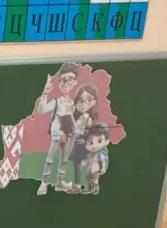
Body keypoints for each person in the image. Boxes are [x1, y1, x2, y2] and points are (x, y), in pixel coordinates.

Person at [37, 62, 79, 195]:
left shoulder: (70, 102)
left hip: (68, 135)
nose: (66, 83)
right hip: (57, 134)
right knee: (50, 159)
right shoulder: (56, 102)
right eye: (63, 80)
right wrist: (45, 94)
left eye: (70, 80)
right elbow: (41, 110)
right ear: (59, 83)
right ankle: (44, 182)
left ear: (75, 82)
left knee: (64, 159)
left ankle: (60, 181)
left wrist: (75, 128)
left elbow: (70, 116)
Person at [69, 83, 99, 192]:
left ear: (93, 102)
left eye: (88, 100)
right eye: (81, 101)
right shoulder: (76, 117)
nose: (84, 104)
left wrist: (80, 130)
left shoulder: (88, 119)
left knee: (90, 165)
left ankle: (92, 184)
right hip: (77, 145)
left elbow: (88, 133)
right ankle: (78, 186)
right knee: (77, 165)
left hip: (85, 146)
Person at [84, 122, 111, 195]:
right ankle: (89, 188)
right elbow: (88, 160)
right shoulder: (90, 154)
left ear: (106, 141)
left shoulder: (100, 154)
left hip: (96, 168)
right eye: (91, 142)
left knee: (95, 179)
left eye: (99, 141)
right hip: (90, 169)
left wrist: (103, 168)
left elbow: (102, 161)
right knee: (89, 179)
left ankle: (95, 187)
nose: (94, 146)